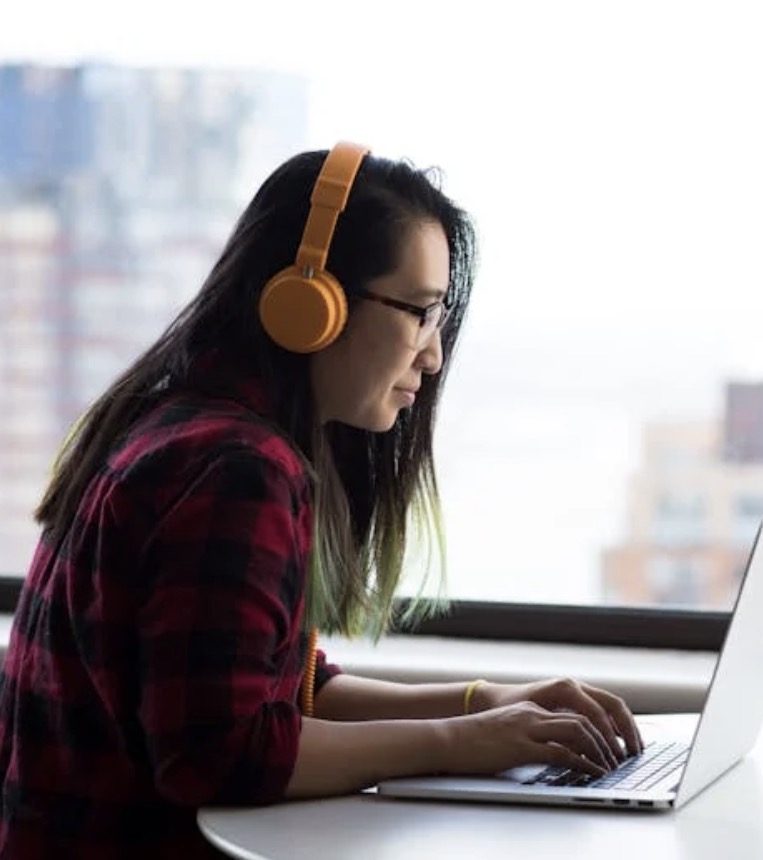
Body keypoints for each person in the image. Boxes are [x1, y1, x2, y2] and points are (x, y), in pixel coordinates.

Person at [0, 142, 643, 858]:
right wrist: (461, 743)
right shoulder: (235, 469)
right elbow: (221, 752)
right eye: (420, 312)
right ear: (311, 303)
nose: (431, 356)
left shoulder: (188, 425)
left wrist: (483, 701)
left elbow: (279, 689)